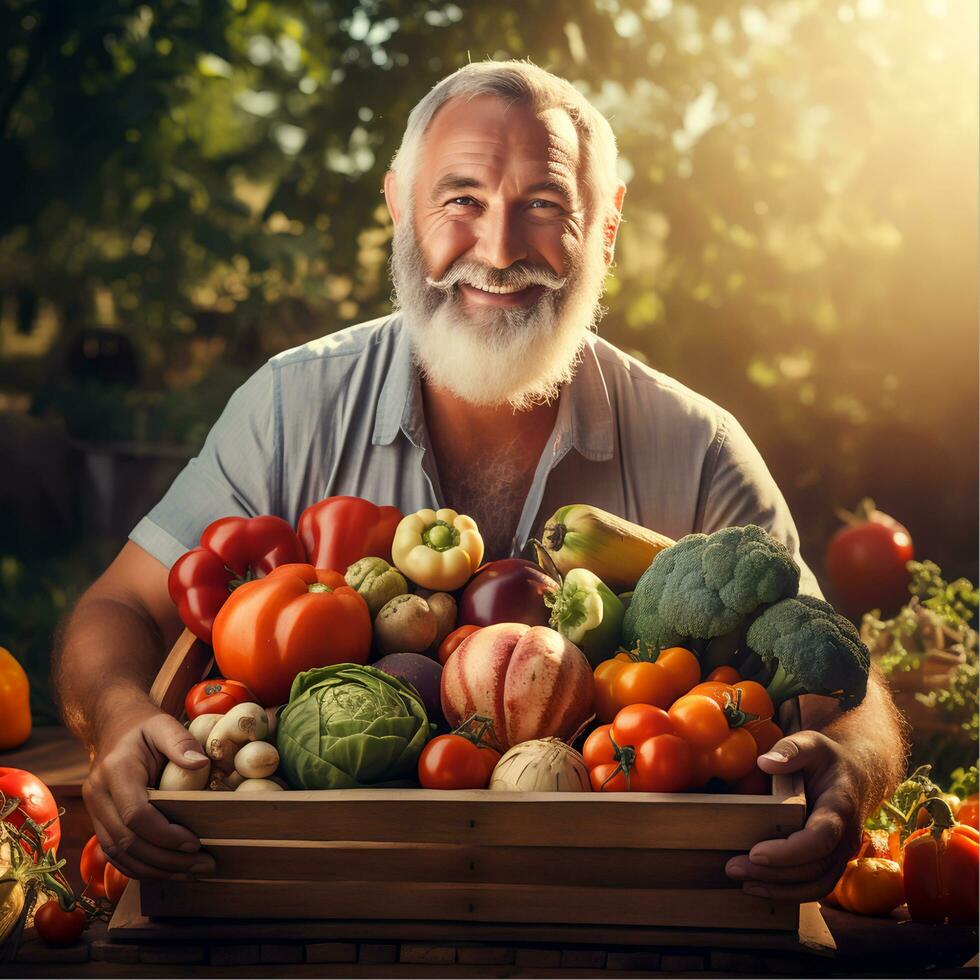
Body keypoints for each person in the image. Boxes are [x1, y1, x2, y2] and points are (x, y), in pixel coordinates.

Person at [53, 60, 904, 900]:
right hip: (325, 898)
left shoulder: (699, 446)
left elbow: (841, 680)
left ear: (605, 227)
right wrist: (121, 717)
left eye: (543, 206)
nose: (498, 252)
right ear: (399, 207)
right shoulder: (290, 405)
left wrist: (851, 775)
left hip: (623, 913)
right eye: (461, 199)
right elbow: (120, 607)